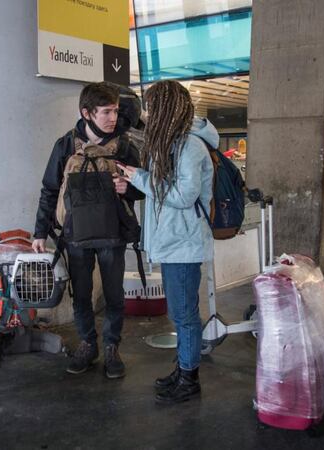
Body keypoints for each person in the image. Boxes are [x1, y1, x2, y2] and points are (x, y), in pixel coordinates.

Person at [32, 82, 143, 379]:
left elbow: (144, 188)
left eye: (115, 111)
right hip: (75, 235)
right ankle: (87, 344)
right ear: (86, 112)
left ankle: (111, 347)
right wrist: (39, 233)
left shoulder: (125, 146)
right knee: (81, 294)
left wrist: (128, 188)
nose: (112, 117)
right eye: (106, 111)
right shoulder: (65, 145)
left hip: (113, 234)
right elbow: (49, 189)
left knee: (113, 294)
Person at [118, 80, 215, 403]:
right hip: (175, 242)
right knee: (180, 313)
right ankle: (184, 369)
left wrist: (138, 177)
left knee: (185, 315)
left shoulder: (190, 146)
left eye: (152, 106)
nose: (148, 113)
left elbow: (183, 196)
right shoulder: (176, 143)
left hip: (184, 245)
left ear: (166, 109)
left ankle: (190, 379)